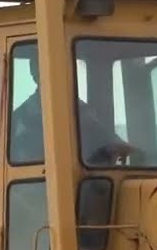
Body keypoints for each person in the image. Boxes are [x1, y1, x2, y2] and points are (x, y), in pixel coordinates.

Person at [10, 50, 140, 166]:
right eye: (42, 68)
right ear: (34, 73)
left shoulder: (83, 112)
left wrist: (120, 147)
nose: (50, 74)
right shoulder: (18, 119)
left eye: (55, 68)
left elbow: (107, 138)